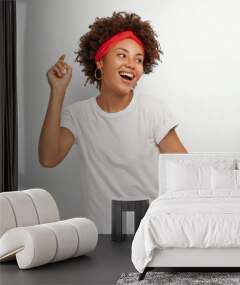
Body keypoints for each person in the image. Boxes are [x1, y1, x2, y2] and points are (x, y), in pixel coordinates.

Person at [38, 11, 187, 233]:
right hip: (101, 238)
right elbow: (49, 158)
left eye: (138, 59)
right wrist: (58, 91)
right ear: (100, 61)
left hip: (150, 233)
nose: (132, 65)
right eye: (122, 55)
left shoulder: (153, 111)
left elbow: (186, 171)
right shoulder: (79, 115)